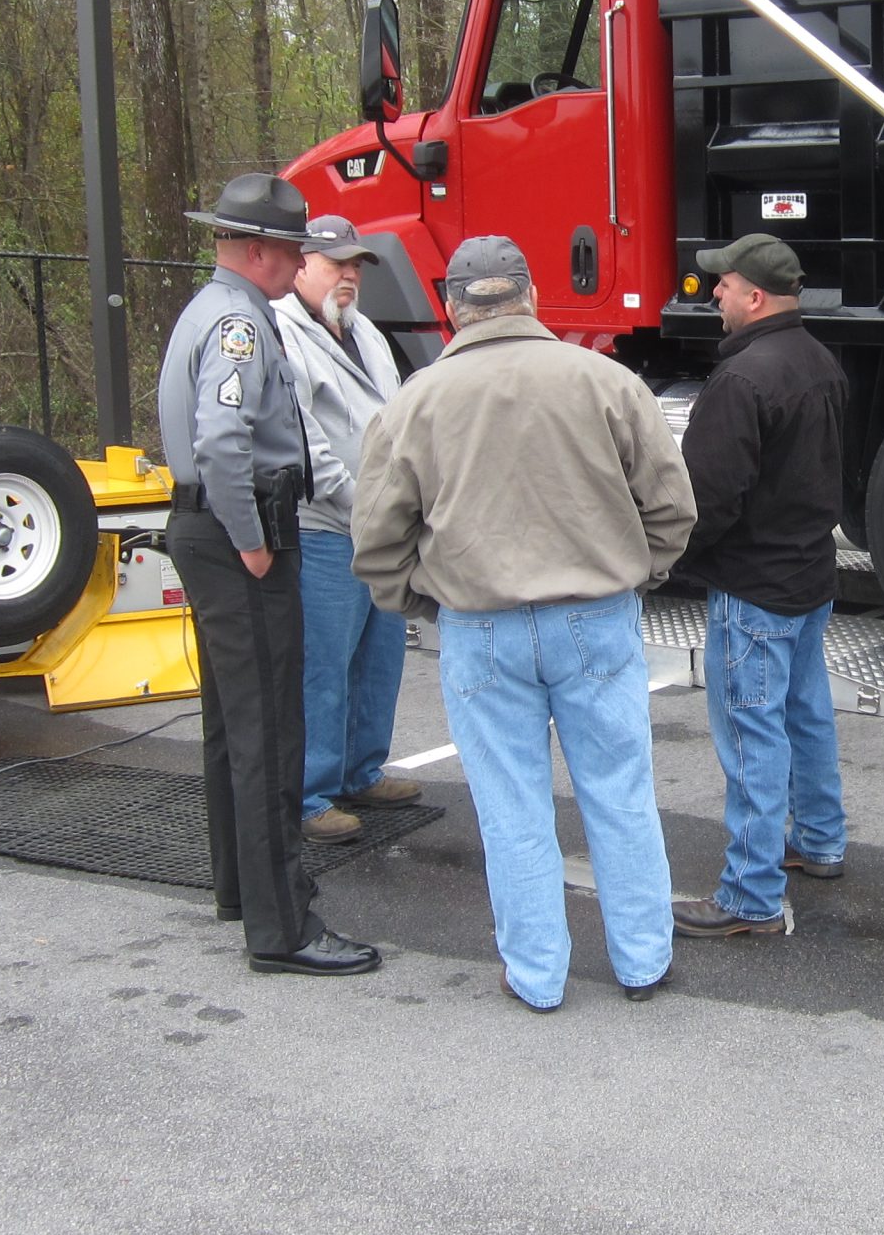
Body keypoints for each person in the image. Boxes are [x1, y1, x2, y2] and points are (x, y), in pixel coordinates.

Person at [352, 237, 696, 1009]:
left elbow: (376, 540)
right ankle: (643, 961)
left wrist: (426, 604)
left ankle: (538, 976)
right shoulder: (607, 382)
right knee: (620, 792)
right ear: (532, 295)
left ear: (452, 308)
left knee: (511, 807)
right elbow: (672, 506)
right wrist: (638, 576)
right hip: (595, 618)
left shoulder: (413, 403)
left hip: (479, 628)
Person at [159, 173, 381, 978]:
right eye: (291, 249)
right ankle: (284, 925)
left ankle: (241, 891)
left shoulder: (213, 310)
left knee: (232, 726)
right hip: (240, 532)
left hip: (212, 526)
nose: (299, 263)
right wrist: (252, 540)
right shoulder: (240, 325)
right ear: (258, 251)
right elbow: (223, 441)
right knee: (269, 734)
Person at [669, 233, 850, 940]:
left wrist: (667, 561)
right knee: (805, 714)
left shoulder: (742, 378)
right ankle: (821, 841)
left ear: (754, 295)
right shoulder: (820, 360)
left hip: (754, 588)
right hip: (809, 577)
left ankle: (750, 894)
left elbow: (707, 498)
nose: (713, 291)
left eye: (722, 283)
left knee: (752, 735)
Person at [271, 213, 416, 844]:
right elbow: (306, 443)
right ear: (301, 265)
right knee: (323, 669)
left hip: (381, 528)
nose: (350, 274)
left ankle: (362, 770)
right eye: (337, 263)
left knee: (380, 658)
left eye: (356, 264)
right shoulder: (282, 332)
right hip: (327, 529)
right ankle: (310, 795)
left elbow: (399, 418)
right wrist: (369, 505)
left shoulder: (367, 333)